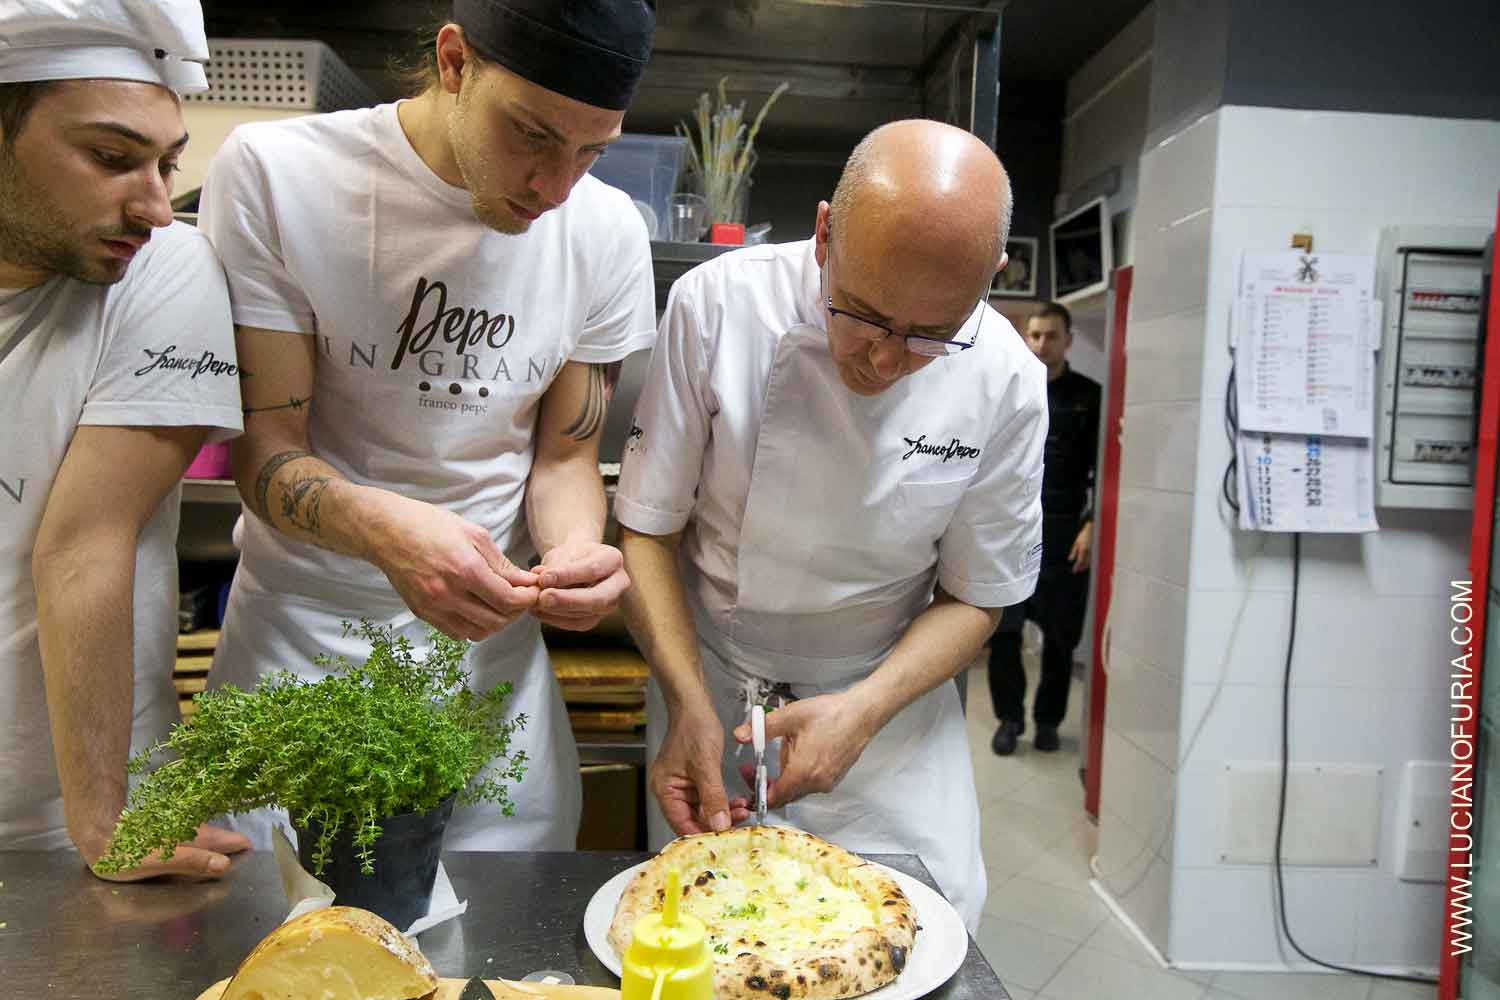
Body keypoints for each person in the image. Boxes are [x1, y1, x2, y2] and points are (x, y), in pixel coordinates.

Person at [200, 0, 658, 851]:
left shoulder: (606, 231)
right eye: (531, 135)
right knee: (283, 959)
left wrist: (569, 555)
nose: (555, 190)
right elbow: (266, 450)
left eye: (592, 150)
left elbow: (564, 459)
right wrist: (381, 529)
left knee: (491, 961)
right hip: (305, 645)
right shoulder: (280, 176)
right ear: (454, 62)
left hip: (489, 669)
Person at [615, 119, 1047, 931]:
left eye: (930, 335)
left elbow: (978, 597)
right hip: (710, 695)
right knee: (705, 944)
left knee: (917, 941)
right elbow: (646, 530)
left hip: (889, 715)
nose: (884, 360)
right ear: (822, 234)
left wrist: (866, 708)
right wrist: (684, 701)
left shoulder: (1010, 382)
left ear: (990, 280)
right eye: (863, 315)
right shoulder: (717, 306)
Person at [0, 0, 250, 877]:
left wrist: (103, 822)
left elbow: (81, 546)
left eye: (167, 163)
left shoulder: (165, 272)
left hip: (85, 826)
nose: (153, 203)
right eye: (111, 158)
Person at [988, 301, 1100, 755]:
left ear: (1068, 341)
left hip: (1065, 534)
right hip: (1011, 534)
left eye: (1051, 335)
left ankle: (1048, 721)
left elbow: (1105, 469)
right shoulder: (1009, 391)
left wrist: (1093, 525)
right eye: (1034, 335)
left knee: (1059, 640)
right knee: (1004, 635)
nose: (1041, 344)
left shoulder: (1090, 397)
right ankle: (1010, 720)